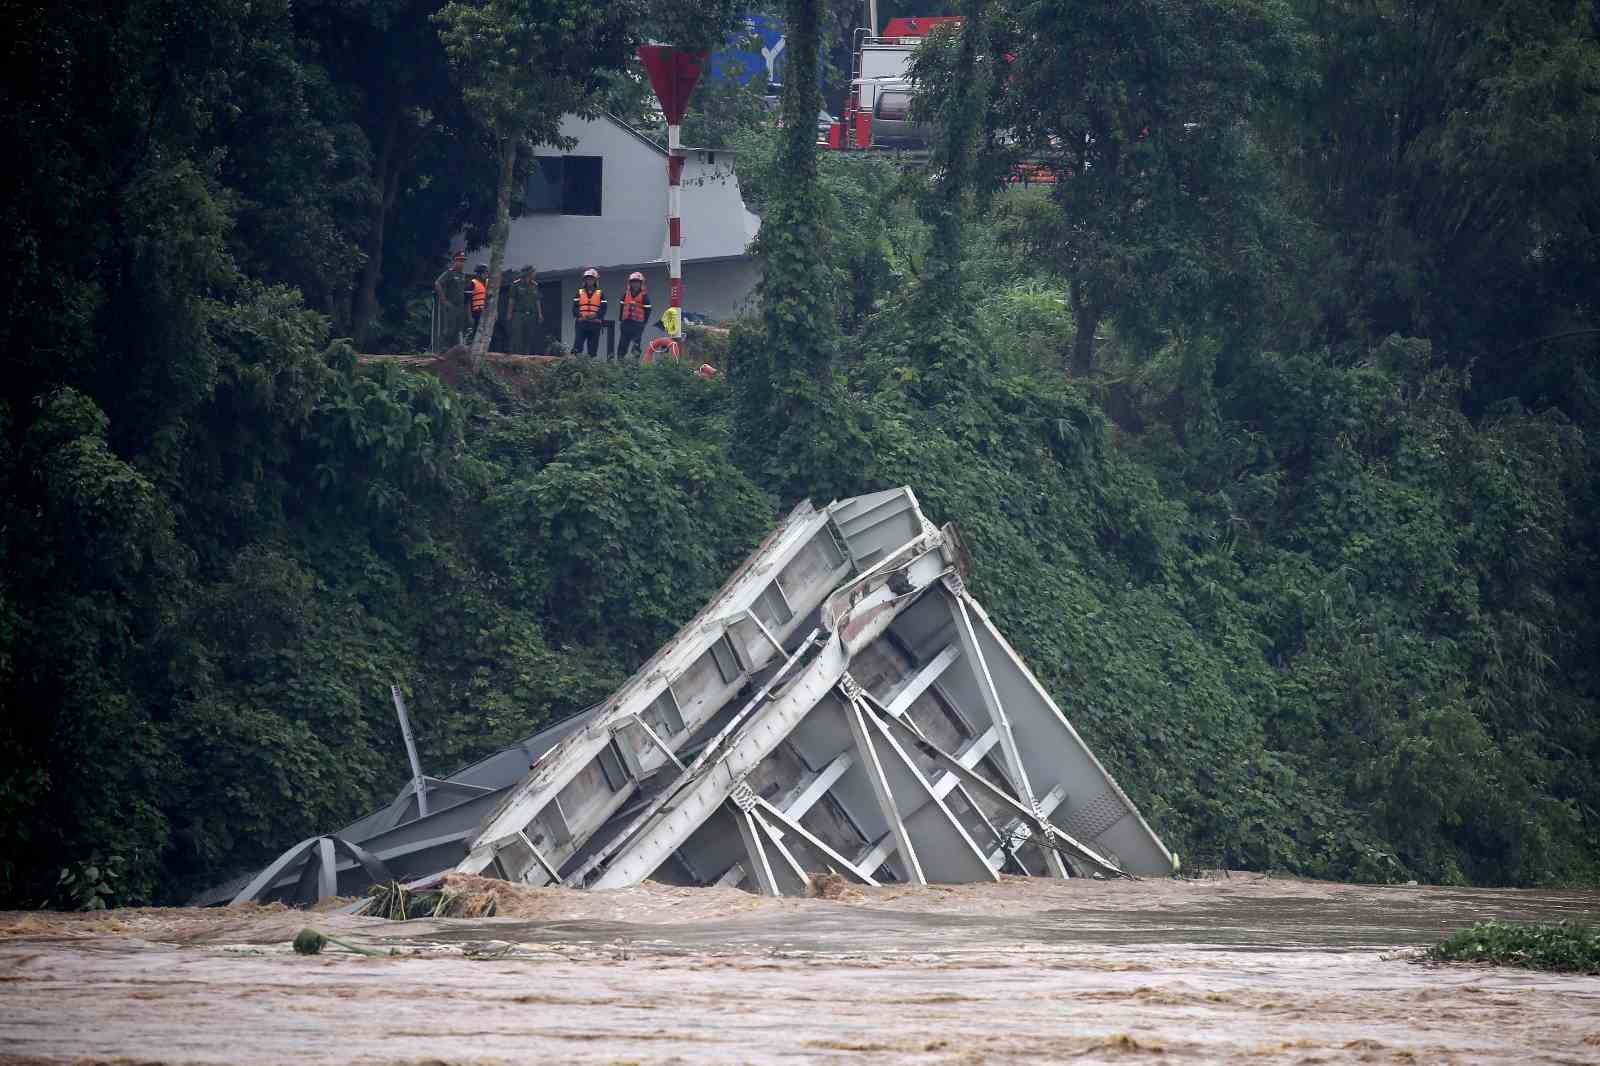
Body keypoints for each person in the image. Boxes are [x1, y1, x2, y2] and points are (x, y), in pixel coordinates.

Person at [432, 250, 466, 349]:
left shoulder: (462, 275)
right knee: (449, 330)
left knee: (457, 329)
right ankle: (443, 350)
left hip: (460, 306)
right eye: (459, 260)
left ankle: (453, 351)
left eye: (463, 261)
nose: (461, 263)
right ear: (454, 261)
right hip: (451, 305)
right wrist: (444, 300)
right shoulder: (450, 273)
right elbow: (437, 283)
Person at [572, 267, 606, 358]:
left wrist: (596, 315)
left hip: (594, 324)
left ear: (595, 280)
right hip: (581, 323)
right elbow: (574, 309)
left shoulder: (601, 294)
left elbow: (603, 309)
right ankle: (575, 365)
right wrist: (580, 315)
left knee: (592, 350)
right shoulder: (579, 293)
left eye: (591, 279)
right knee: (577, 347)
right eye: (588, 279)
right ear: (585, 280)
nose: (589, 280)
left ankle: (590, 368)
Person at [617, 271, 652, 359]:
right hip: (626, 324)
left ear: (641, 283)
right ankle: (620, 363)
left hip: (637, 325)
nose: (635, 284)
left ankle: (634, 366)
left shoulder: (645, 296)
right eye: (633, 282)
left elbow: (648, 311)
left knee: (636, 346)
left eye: (637, 282)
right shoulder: (625, 295)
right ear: (630, 283)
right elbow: (621, 308)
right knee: (622, 345)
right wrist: (621, 321)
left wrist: (643, 323)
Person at [464, 262, 489, 345]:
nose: (486, 275)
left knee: (483, 334)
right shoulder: (472, 283)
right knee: (473, 334)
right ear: (479, 273)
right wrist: (469, 316)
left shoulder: (487, 283)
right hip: (475, 313)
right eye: (484, 273)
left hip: (484, 312)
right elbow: (467, 301)